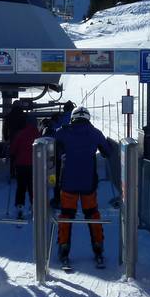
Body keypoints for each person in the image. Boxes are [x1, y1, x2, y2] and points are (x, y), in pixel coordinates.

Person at [54, 105, 110, 268]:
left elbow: (54, 143)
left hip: (68, 183)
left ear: (73, 118)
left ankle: (64, 250)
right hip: (88, 183)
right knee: (92, 214)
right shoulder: (95, 133)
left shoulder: (63, 132)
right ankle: (98, 248)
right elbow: (107, 152)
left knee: (66, 216)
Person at [9, 116, 41, 219]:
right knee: (33, 187)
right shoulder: (38, 135)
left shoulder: (20, 134)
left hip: (21, 164)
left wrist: (13, 157)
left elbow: (13, 149)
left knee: (21, 186)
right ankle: (35, 206)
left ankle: (20, 206)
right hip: (34, 165)